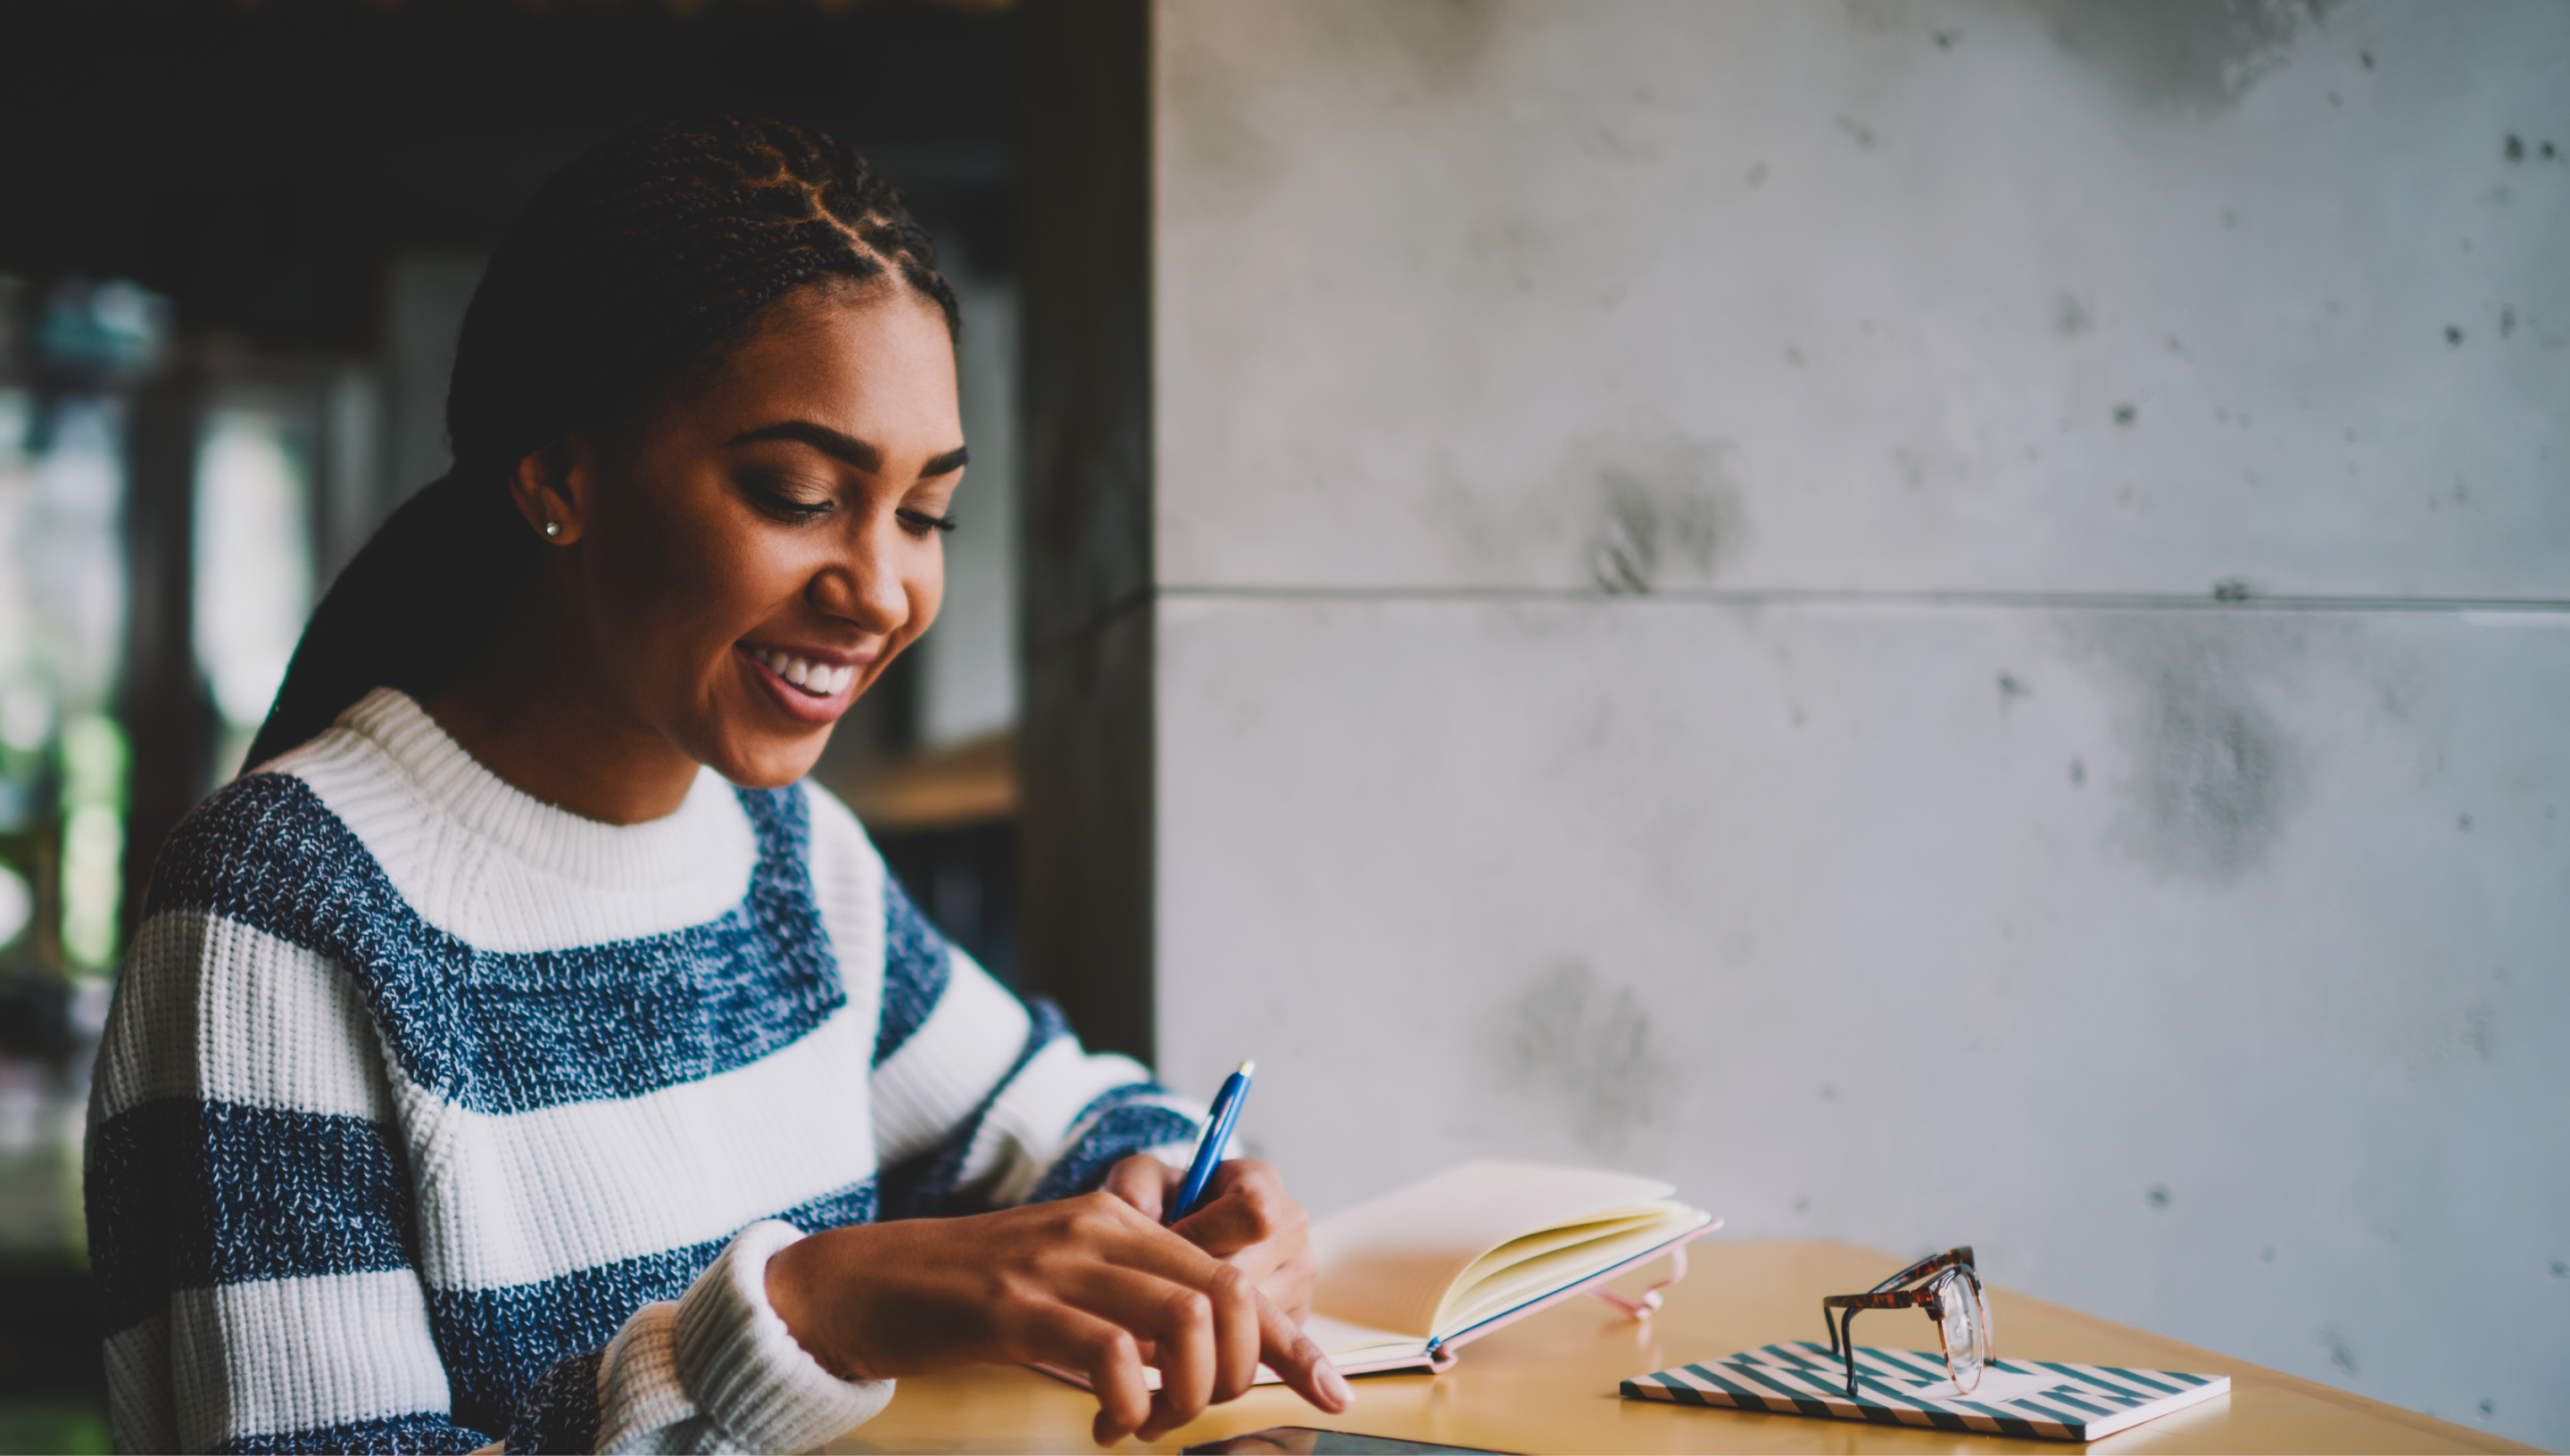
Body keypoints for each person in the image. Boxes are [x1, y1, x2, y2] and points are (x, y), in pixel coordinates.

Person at [82, 113, 1350, 1456]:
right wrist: (797, 1317)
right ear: (562, 474)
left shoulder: (788, 854)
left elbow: (1056, 1114)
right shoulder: (278, 916)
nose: (879, 589)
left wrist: (1177, 1203)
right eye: (800, 493)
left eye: (924, 514)